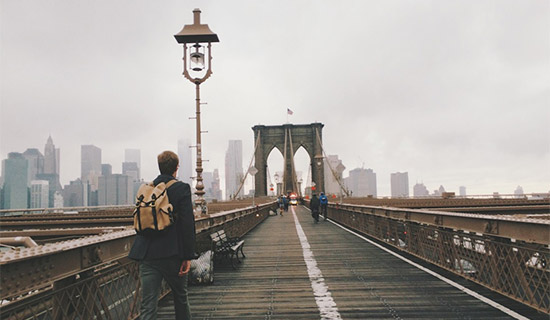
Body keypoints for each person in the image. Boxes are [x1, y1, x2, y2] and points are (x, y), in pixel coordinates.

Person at [129, 151, 196, 320]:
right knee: (180, 297)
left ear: (159, 167)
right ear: (176, 167)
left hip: (147, 253)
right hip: (173, 254)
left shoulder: (147, 189)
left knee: (148, 303)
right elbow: (188, 225)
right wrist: (188, 256)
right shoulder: (182, 188)